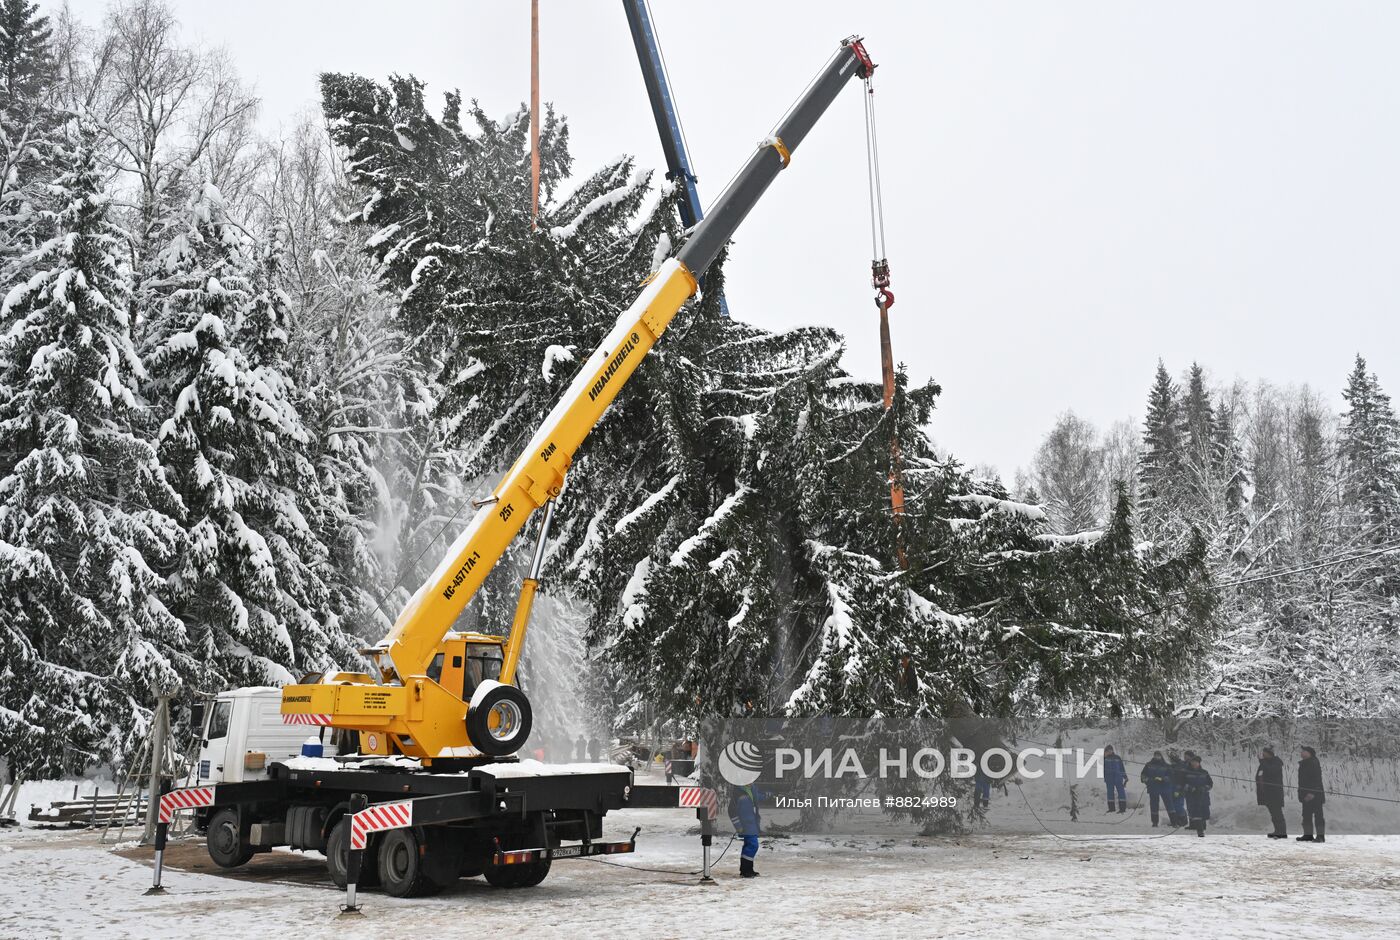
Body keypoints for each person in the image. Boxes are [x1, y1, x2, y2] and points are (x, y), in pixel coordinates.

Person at [728, 782, 763, 878]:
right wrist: (738, 826)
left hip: (753, 823)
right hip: (745, 824)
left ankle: (747, 870)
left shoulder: (753, 789)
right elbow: (731, 811)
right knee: (753, 845)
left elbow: (757, 799)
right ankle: (746, 870)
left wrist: (769, 795)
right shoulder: (738, 792)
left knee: (749, 846)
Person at [1255, 746, 1287, 839]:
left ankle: (1282, 832)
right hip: (1266, 793)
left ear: (1270, 754)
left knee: (1277, 813)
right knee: (1273, 814)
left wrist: (1262, 761)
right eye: (1263, 753)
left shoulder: (1276, 762)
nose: (1263, 754)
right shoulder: (1265, 762)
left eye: (1265, 753)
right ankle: (1277, 831)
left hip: (1275, 793)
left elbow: (1271, 771)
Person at [1296, 746, 1326, 843]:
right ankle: (1308, 835)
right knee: (1306, 815)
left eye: (1304, 751)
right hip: (1305, 794)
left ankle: (1320, 837)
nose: (1301, 753)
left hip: (1315, 795)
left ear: (1310, 753)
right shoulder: (1303, 764)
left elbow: (1317, 779)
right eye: (1301, 751)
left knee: (1318, 816)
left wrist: (1312, 793)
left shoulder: (1313, 762)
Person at [1182, 753, 1213, 837]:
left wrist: (1204, 788)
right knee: (1195, 813)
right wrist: (1190, 788)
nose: (1194, 764)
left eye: (1196, 762)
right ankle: (1200, 831)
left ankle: (1202, 827)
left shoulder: (1204, 772)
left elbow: (1210, 784)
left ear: (1199, 763)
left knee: (1204, 813)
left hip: (1203, 796)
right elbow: (1183, 783)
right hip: (1192, 796)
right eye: (1193, 762)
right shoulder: (1186, 772)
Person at [1140, 750, 1173, 827]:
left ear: (1161, 756)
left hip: (1164, 788)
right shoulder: (1148, 765)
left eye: (1158, 755)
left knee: (1169, 805)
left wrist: (1163, 779)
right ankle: (1154, 822)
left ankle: (1174, 821)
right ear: (1153, 756)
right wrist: (1146, 780)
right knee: (1154, 805)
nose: (1157, 757)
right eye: (1155, 755)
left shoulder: (1166, 766)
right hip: (1153, 788)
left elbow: (1171, 777)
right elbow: (1143, 775)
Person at [1102, 744, 1128, 813]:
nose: (1108, 752)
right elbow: (1104, 769)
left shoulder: (1117, 758)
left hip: (1118, 778)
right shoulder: (1105, 759)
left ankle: (1122, 809)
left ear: (1112, 751)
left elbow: (1122, 768)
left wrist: (1125, 777)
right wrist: (1105, 778)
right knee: (1110, 793)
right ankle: (1111, 808)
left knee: (1121, 792)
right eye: (1107, 751)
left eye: (1109, 751)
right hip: (1109, 778)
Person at [1167, 749, 1190, 827]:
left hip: (1180, 788)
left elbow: (1185, 777)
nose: (1172, 760)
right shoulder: (1170, 767)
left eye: (1174, 758)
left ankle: (1183, 820)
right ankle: (1176, 820)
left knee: (1178, 805)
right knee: (1172, 805)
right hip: (1171, 788)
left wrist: (1182, 787)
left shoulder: (1183, 765)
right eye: (1171, 759)